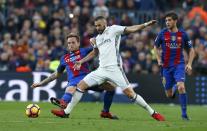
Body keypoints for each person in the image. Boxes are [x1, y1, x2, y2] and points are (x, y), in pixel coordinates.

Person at [51, 16, 165, 121]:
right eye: (95, 26)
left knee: (130, 94)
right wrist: (81, 61)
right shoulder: (98, 38)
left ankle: (153, 112)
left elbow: (131, 29)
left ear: (105, 24)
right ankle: (66, 112)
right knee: (81, 85)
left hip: (115, 69)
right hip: (101, 70)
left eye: (99, 25)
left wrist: (145, 24)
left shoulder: (114, 29)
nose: (97, 27)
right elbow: (94, 53)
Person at [31, 33, 118, 119]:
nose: (71, 45)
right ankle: (64, 104)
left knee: (111, 88)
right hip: (74, 80)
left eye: (73, 42)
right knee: (73, 86)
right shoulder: (64, 58)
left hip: (88, 79)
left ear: (78, 43)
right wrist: (41, 83)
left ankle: (105, 112)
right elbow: (56, 74)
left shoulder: (83, 51)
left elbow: (97, 49)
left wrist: (96, 41)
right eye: (69, 43)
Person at [154, 12, 195, 120]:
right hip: (166, 67)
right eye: (166, 20)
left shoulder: (183, 34)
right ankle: (174, 86)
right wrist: (158, 59)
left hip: (179, 65)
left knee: (181, 86)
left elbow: (191, 50)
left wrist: (189, 64)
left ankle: (184, 114)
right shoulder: (162, 33)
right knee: (169, 94)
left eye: (169, 20)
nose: (167, 22)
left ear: (175, 21)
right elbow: (155, 47)